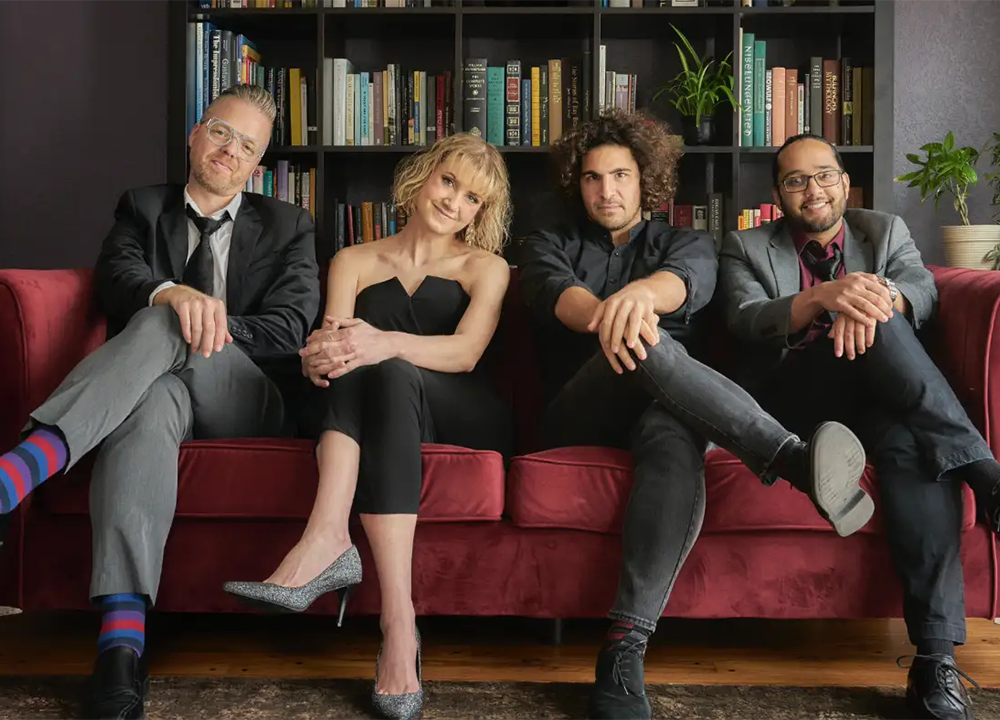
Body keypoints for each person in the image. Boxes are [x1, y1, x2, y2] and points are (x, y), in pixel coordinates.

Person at [515, 108, 875, 720]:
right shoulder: (549, 242)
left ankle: (624, 649)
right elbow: (560, 297)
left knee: (675, 429)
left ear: (644, 181)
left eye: (621, 176)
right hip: (576, 410)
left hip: (667, 406)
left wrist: (641, 295)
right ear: (578, 185)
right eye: (594, 178)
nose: (607, 190)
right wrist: (623, 311)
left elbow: (689, 283)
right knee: (641, 340)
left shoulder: (687, 241)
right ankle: (790, 457)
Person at [0, 83, 320, 719]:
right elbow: (119, 282)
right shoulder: (143, 208)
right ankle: (122, 648)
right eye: (222, 132)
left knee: (171, 318)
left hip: (247, 397)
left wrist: (202, 319)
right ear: (195, 134)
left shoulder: (289, 225)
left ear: (258, 166)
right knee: (151, 394)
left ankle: (14, 475)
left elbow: (290, 328)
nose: (231, 150)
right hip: (160, 392)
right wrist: (173, 296)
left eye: (247, 145)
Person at [223, 132, 514, 720]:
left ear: (481, 213)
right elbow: (336, 346)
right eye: (449, 181)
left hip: (462, 409)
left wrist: (380, 342)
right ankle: (370, 592)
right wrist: (319, 356)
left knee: (384, 361)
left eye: (473, 199)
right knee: (356, 359)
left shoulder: (486, 268)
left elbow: (466, 354)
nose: (454, 201)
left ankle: (373, 591)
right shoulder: (353, 261)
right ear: (423, 176)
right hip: (381, 401)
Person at [719, 132, 1000, 720]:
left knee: (911, 447)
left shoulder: (885, 230)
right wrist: (830, 296)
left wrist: (869, 301)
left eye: (823, 175)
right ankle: (986, 472)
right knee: (878, 318)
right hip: (797, 398)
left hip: (880, 404)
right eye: (796, 180)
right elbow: (746, 321)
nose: (812, 189)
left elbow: (922, 290)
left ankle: (935, 660)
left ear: (846, 183)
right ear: (778, 195)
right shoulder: (745, 246)